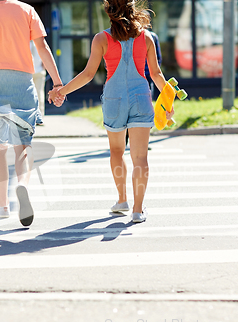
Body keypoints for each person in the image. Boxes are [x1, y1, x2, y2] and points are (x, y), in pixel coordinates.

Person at [49, 0, 174, 223]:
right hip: (140, 98)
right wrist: (167, 102)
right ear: (133, 10)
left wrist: (62, 91)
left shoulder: (101, 39)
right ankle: (137, 210)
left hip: (114, 99)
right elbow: (156, 74)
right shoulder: (146, 38)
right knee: (140, 158)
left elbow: (88, 75)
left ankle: (122, 200)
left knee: (116, 151)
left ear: (109, 12)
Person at [0, 0, 63, 226]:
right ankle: (23, 184)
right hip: (21, 82)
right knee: (23, 145)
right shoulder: (27, 11)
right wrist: (58, 83)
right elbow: (42, 48)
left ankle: (3, 205)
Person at [30, 41, 46, 125]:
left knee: (39, 94)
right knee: (29, 96)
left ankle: (40, 118)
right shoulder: (23, 40)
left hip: (39, 71)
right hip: (28, 72)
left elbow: (45, 53)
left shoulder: (39, 41)